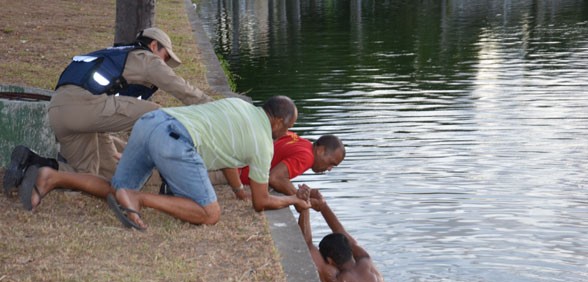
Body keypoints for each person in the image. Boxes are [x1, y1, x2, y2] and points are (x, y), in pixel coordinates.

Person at [19, 96, 310, 229]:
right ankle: (140, 198)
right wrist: (292, 200)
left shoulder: (239, 105)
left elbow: (228, 158)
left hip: (152, 122)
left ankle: (51, 177)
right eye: (287, 127)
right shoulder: (263, 142)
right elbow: (260, 202)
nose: (287, 133)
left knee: (117, 189)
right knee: (210, 214)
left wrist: (236, 190)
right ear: (278, 121)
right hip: (175, 139)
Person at [3, 27, 212, 195]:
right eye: (165, 57)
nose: (165, 64)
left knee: (86, 176)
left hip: (59, 110)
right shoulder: (146, 58)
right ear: (154, 45)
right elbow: (181, 88)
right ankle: (167, 177)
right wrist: (215, 108)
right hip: (85, 107)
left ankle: (34, 164)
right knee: (157, 115)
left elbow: (110, 104)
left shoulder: (112, 54)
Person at [237, 131, 346, 195]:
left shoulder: (301, 141)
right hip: (237, 172)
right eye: (331, 163)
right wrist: (298, 196)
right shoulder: (308, 157)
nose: (329, 169)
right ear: (320, 150)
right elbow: (274, 178)